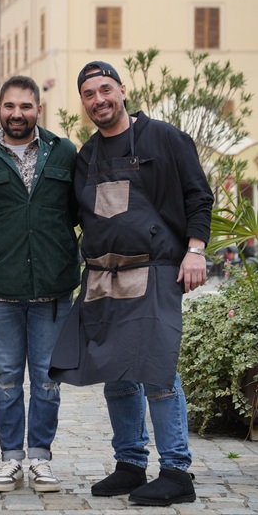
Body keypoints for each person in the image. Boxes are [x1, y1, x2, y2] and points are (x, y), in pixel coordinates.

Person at [49, 61, 214, 506]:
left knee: (157, 371)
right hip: (103, 275)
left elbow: (199, 194)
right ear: (83, 102)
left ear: (122, 90)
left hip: (156, 268)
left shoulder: (164, 137)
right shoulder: (86, 156)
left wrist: (195, 250)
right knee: (115, 375)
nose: (99, 99)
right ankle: (130, 464)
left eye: (106, 89)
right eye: (89, 94)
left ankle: (177, 471)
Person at [0, 75, 79, 493]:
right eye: (10, 106)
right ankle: (11, 458)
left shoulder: (65, 153)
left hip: (53, 290)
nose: (17, 114)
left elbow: (81, 214)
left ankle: (41, 458)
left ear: (38, 110)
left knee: (48, 381)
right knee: (7, 379)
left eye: (26, 107)